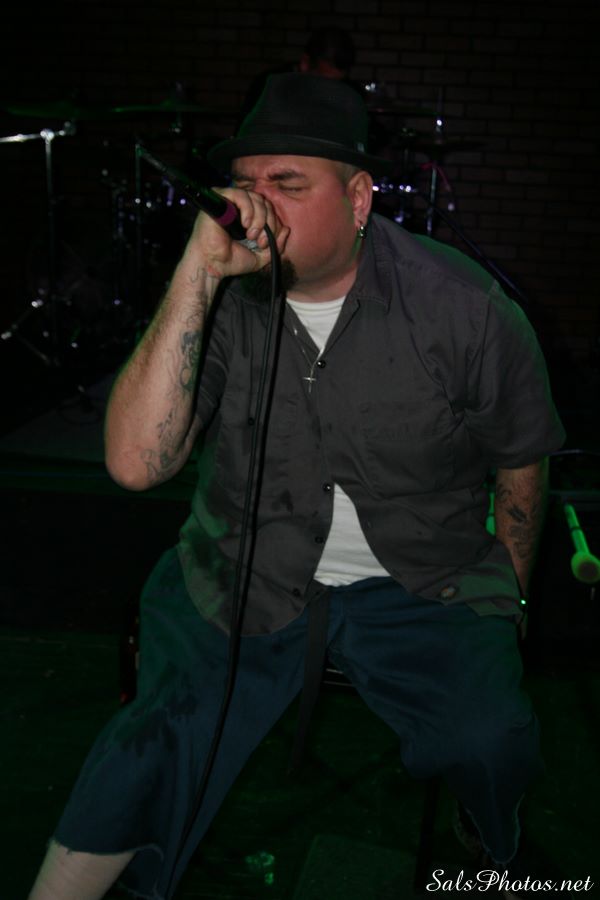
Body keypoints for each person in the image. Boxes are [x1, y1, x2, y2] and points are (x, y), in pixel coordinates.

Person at [28, 73, 567, 900]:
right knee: (155, 741)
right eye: (246, 184)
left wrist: (510, 601)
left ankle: (491, 836)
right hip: (238, 570)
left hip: (424, 581)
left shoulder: (465, 309)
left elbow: (522, 460)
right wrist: (196, 276)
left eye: (287, 183)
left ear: (358, 199)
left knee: (491, 738)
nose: (258, 206)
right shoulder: (222, 301)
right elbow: (137, 465)